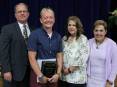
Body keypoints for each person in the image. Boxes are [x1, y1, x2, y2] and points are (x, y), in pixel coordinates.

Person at [28, 7, 63, 87]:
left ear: (54, 19)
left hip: (53, 76)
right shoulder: (34, 35)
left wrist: (58, 74)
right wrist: (40, 75)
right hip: (38, 75)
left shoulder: (58, 36)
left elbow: (59, 57)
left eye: (51, 17)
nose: (48, 20)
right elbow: (31, 58)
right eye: (45, 18)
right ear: (41, 20)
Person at [0, 3, 32, 87]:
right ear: (15, 15)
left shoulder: (34, 30)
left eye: (24, 11)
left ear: (28, 14)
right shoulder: (7, 29)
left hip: (31, 73)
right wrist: (6, 70)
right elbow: (3, 51)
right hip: (13, 73)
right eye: (19, 11)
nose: (22, 13)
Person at [60, 16, 89, 87]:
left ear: (78, 27)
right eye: (69, 25)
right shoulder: (64, 39)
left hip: (77, 79)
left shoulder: (83, 39)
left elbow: (83, 58)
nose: (71, 27)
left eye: (74, 25)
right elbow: (60, 54)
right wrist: (62, 68)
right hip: (64, 77)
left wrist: (69, 70)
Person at [87, 20, 117, 87]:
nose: (98, 33)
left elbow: (115, 65)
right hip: (90, 81)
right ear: (93, 31)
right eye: (96, 30)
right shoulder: (89, 42)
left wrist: (110, 81)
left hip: (105, 82)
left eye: (101, 30)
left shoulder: (112, 44)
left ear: (105, 31)